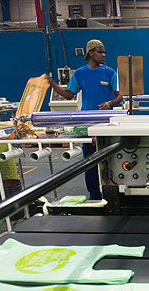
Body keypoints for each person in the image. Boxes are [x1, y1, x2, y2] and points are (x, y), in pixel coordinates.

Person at [47, 39, 122, 200]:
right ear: (90, 53)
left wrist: (110, 103)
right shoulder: (80, 74)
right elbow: (69, 95)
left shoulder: (110, 73)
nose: (103, 55)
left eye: (104, 52)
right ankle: (94, 195)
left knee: (111, 160)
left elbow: (119, 96)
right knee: (90, 163)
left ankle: (112, 194)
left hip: (106, 124)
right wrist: (53, 84)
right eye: (100, 52)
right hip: (87, 124)